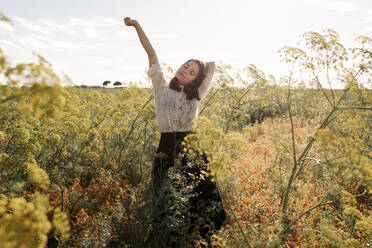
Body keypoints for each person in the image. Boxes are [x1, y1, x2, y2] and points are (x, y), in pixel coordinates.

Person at [124, 17, 226, 247]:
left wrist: (200, 67)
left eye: (191, 71)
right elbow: (151, 52)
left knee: (202, 198)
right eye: (185, 65)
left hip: (192, 147)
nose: (185, 69)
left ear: (195, 80)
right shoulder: (160, 86)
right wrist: (136, 25)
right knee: (163, 200)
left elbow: (212, 65)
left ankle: (202, 240)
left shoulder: (197, 93)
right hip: (166, 147)